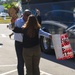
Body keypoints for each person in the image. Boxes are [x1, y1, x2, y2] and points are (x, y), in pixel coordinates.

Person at [8, 9, 31, 75]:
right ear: (23, 15)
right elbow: (11, 28)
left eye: (29, 15)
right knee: (20, 61)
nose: (28, 16)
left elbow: (38, 30)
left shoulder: (31, 22)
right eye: (27, 15)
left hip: (27, 43)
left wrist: (48, 35)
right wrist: (12, 23)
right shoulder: (18, 21)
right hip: (19, 43)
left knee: (28, 61)